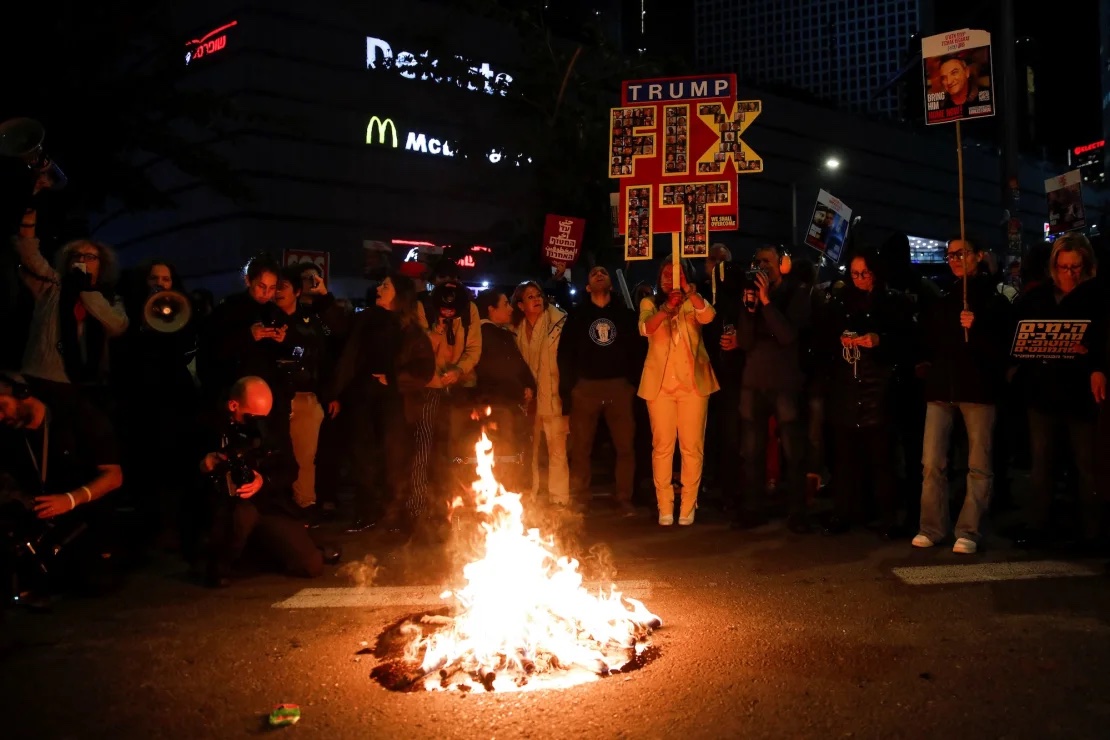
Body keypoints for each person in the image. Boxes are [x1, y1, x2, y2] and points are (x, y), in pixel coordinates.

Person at [913, 238, 1011, 554]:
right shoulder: (945, 297)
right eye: (950, 254)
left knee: (978, 463)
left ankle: (969, 529)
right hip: (942, 388)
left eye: (962, 253)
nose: (954, 259)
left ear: (979, 256)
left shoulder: (995, 298)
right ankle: (931, 526)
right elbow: (932, 341)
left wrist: (978, 328)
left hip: (978, 389)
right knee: (931, 462)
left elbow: (1002, 349)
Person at [1010, 234, 1106, 551]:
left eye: (1076, 267)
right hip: (1043, 392)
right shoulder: (1038, 298)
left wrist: (1092, 358)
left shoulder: (1098, 297)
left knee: (1085, 466)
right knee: (1042, 464)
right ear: (1054, 267)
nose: (1069, 274)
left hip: (1081, 395)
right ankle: (1040, 526)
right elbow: (1015, 332)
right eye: (1063, 267)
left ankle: (1091, 533)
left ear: (1087, 266)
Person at [198, 377, 335, 587]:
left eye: (264, 416)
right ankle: (221, 563)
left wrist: (264, 480)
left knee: (312, 565)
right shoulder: (211, 425)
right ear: (233, 405)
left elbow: (290, 469)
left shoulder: (269, 425)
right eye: (253, 417)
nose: (259, 423)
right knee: (241, 518)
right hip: (231, 507)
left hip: (268, 504)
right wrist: (205, 465)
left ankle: (264, 550)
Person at [1, 372, 123, 600]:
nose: (0, 416)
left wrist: (70, 499)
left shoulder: (77, 415)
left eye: (2, 406)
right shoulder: (11, 435)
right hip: (44, 518)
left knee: (92, 583)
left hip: (86, 516)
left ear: (22, 393)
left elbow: (114, 476)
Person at [816, 250, 910, 537]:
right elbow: (825, 338)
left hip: (877, 385)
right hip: (847, 385)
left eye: (864, 273)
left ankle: (887, 517)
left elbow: (906, 339)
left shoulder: (893, 302)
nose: (859, 279)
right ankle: (844, 512)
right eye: (854, 274)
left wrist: (879, 340)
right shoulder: (842, 302)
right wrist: (841, 338)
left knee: (881, 456)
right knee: (845, 457)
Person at [330, 274, 435, 531]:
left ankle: (395, 515)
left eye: (385, 286)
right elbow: (343, 341)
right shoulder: (365, 320)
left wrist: (394, 379)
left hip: (395, 406)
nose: (379, 288)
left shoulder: (411, 331)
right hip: (363, 403)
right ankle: (367, 512)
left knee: (394, 461)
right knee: (362, 459)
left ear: (399, 295)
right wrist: (335, 393)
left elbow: (424, 369)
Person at [735, 246, 812, 533]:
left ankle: (797, 511)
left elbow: (787, 335)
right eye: (757, 262)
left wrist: (767, 303)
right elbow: (744, 341)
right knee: (751, 450)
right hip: (753, 381)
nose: (761, 267)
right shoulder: (749, 293)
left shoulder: (796, 293)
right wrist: (749, 308)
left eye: (766, 262)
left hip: (784, 382)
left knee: (793, 450)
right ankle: (753, 508)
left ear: (782, 265)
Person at [638, 261, 718, 526]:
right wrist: (667, 308)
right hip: (660, 386)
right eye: (666, 273)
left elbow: (708, 316)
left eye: (677, 273)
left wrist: (689, 293)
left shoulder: (693, 302)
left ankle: (687, 506)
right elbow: (646, 328)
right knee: (662, 447)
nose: (670, 277)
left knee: (692, 447)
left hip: (692, 386)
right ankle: (665, 506)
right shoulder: (650, 303)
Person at [558, 266, 641, 515]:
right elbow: (565, 356)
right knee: (581, 446)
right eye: (593, 273)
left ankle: (624, 496)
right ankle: (580, 496)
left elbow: (636, 351)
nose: (599, 275)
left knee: (625, 446)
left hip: (618, 386)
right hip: (586, 387)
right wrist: (569, 392)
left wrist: (631, 384)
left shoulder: (625, 315)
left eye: (604, 272)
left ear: (611, 284)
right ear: (587, 286)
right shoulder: (577, 316)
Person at [12, 234, 129, 405]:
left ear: (101, 265)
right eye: (76, 255)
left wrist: (86, 290)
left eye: (90, 257)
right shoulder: (53, 286)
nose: (82, 260)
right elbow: (31, 258)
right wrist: (27, 229)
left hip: (89, 386)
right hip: (44, 378)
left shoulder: (111, 298)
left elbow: (117, 325)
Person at [270, 266, 334, 511]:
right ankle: (276, 509)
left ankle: (304, 505)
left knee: (305, 459)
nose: (276, 292)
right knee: (276, 454)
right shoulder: (265, 317)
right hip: (274, 397)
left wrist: (329, 395)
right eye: (273, 287)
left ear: (297, 291)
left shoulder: (310, 319)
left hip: (305, 396)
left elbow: (323, 353)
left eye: (282, 286)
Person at [195, 254, 282, 404]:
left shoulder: (275, 313)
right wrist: (247, 336)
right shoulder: (228, 309)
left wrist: (282, 340)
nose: (266, 293)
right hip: (230, 393)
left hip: (263, 394)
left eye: (272, 288)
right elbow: (211, 349)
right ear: (248, 280)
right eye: (261, 286)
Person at [473, 289, 536, 493]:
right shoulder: (486, 335)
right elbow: (501, 370)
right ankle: (505, 494)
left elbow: (517, 365)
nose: (510, 309)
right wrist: (521, 390)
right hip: (498, 405)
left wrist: (529, 385)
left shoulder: (502, 333)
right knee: (504, 453)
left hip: (508, 402)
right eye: (505, 304)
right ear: (491, 310)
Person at [513, 281, 570, 506]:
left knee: (557, 449)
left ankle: (560, 498)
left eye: (538, 295)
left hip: (554, 393)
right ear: (520, 305)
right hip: (529, 397)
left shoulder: (558, 323)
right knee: (529, 450)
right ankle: (530, 494)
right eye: (530, 297)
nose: (536, 299)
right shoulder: (515, 329)